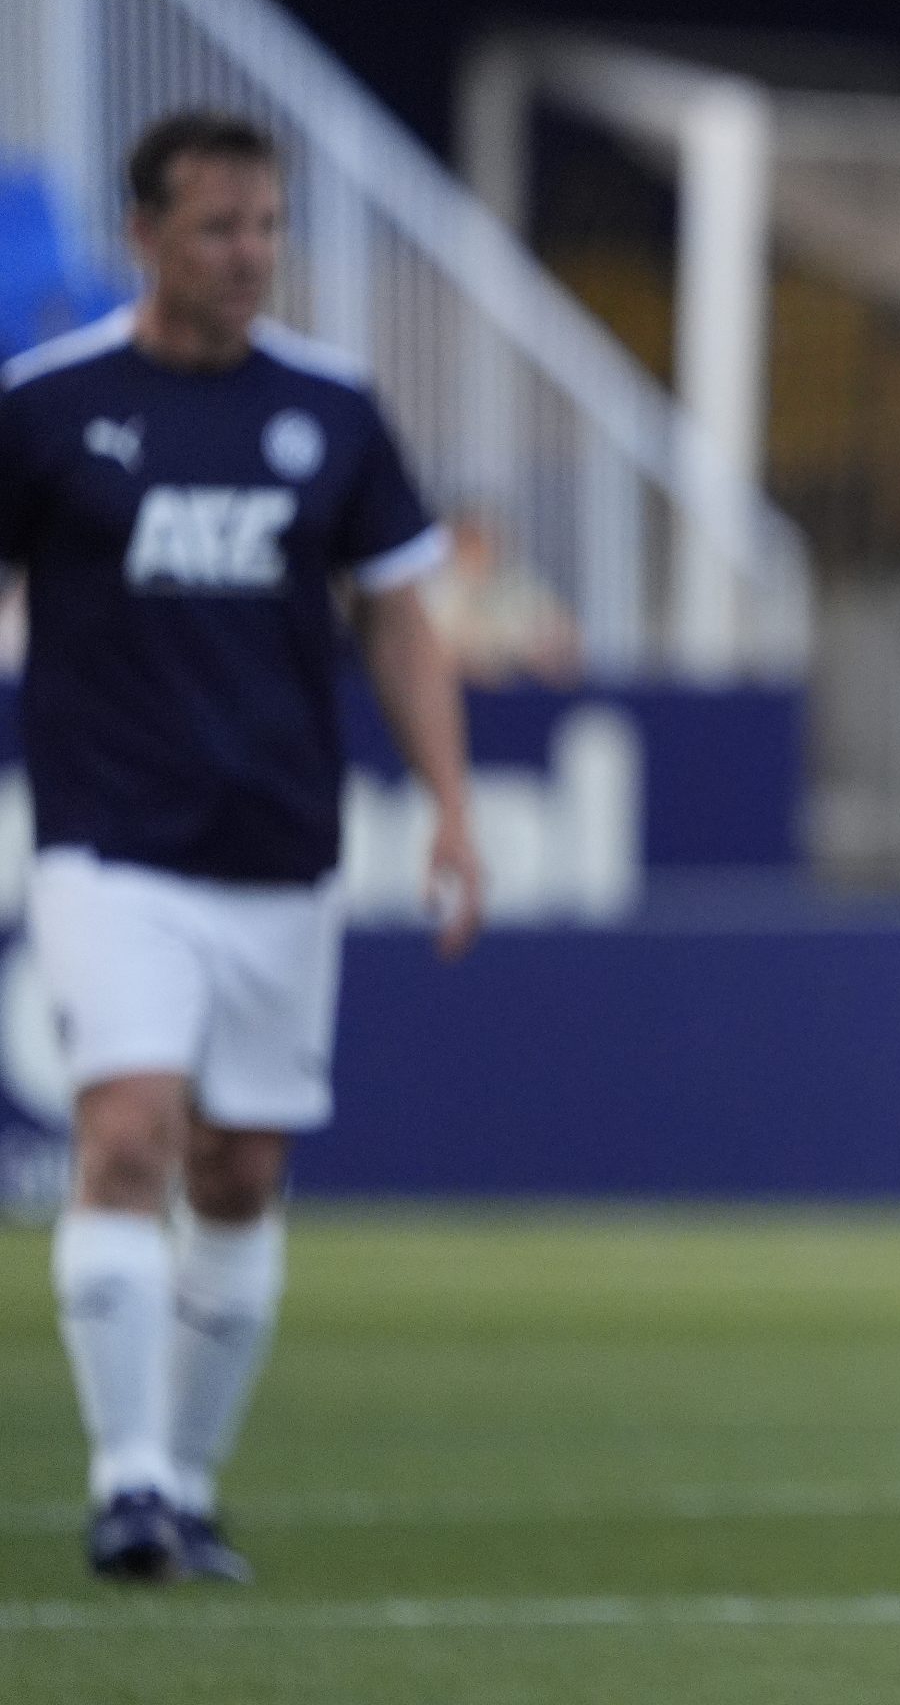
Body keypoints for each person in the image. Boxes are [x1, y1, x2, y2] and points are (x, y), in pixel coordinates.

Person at [0, 112, 483, 1583]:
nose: (249, 253)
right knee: (127, 1133)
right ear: (144, 236)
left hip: (279, 846)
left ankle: (188, 1484)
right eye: (218, 227)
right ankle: (128, 1484)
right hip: (107, 840)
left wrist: (452, 804)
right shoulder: (46, 407)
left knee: (237, 1168)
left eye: (266, 225)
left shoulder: (329, 409)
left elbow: (397, 613)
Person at [422, 504, 581, 686]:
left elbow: (564, 638)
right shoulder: (438, 587)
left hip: (522, 690)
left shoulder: (518, 583)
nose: (478, 549)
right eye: (469, 540)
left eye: (483, 540)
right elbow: (434, 650)